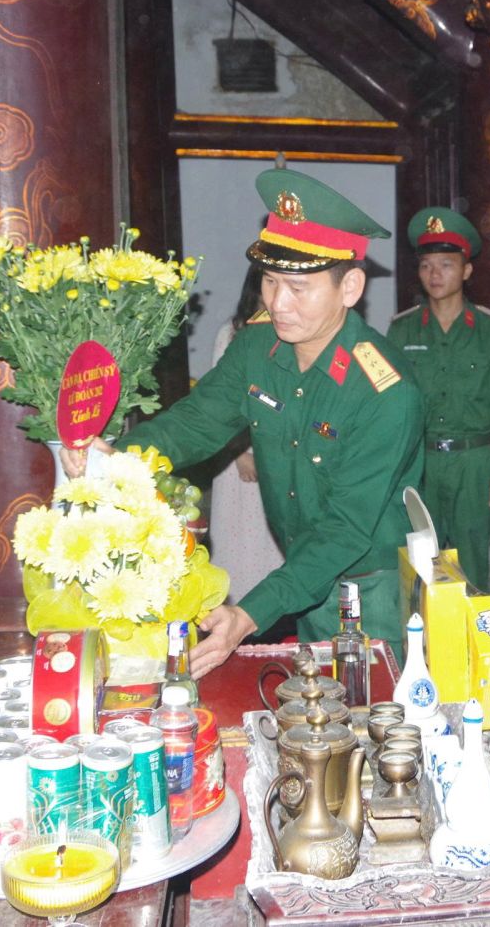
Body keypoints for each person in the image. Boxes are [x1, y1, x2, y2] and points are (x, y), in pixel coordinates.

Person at [62, 169, 423, 677]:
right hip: (300, 571)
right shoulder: (256, 346)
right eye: (270, 281)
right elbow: (196, 421)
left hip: (370, 587)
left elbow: (345, 531)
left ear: (350, 287)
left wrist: (248, 615)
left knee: (375, 710)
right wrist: (118, 460)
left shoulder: (385, 392)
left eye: (298, 287)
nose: (277, 302)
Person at [385, 207, 490, 592]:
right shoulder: (401, 330)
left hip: (473, 464)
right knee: (419, 568)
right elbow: (390, 405)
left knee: (472, 568)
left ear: (466, 271)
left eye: (446, 265)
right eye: (426, 265)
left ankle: (471, 633)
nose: (435, 274)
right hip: (419, 464)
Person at [205, 264, 284, 603]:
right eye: (270, 282)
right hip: (238, 455)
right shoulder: (233, 332)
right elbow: (220, 404)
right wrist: (239, 454)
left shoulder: (291, 331)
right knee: (240, 540)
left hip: (279, 452)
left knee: (275, 541)